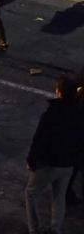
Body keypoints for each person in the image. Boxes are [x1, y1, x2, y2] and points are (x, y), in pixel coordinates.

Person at [25, 76, 84, 234]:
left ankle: (34, 229)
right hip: (67, 164)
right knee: (59, 196)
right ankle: (55, 228)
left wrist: (31, 161)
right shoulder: (79, 114)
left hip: (48, 164)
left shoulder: (51, 114)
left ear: (59, 92)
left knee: (30, 194)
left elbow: (39, 140)